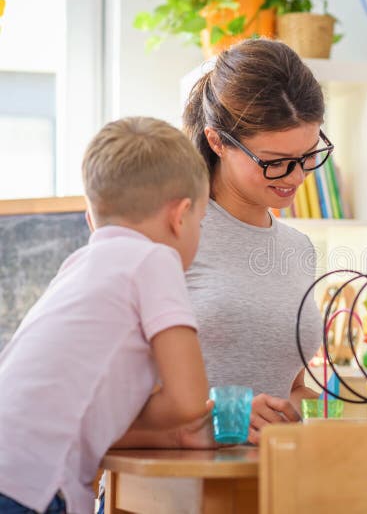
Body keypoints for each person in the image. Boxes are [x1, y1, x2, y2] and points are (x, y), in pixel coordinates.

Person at [0, 117, 210, 514]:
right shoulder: (155, 259)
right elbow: (190, 400)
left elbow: (81, 409)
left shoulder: (76, 266)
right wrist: (192, 425)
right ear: (180, 215)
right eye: (200, 222)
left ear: (91, 218)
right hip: (31, 489)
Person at [183, 38, 327, 442]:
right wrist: (224, 417)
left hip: (271, 484)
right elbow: (117, 387)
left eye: (308, 155)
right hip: (179, 483)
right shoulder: (172, 232)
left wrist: (303, 409)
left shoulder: (299, 249)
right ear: (217, 142)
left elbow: (292, 389)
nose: (296, 177)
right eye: (274, 162)